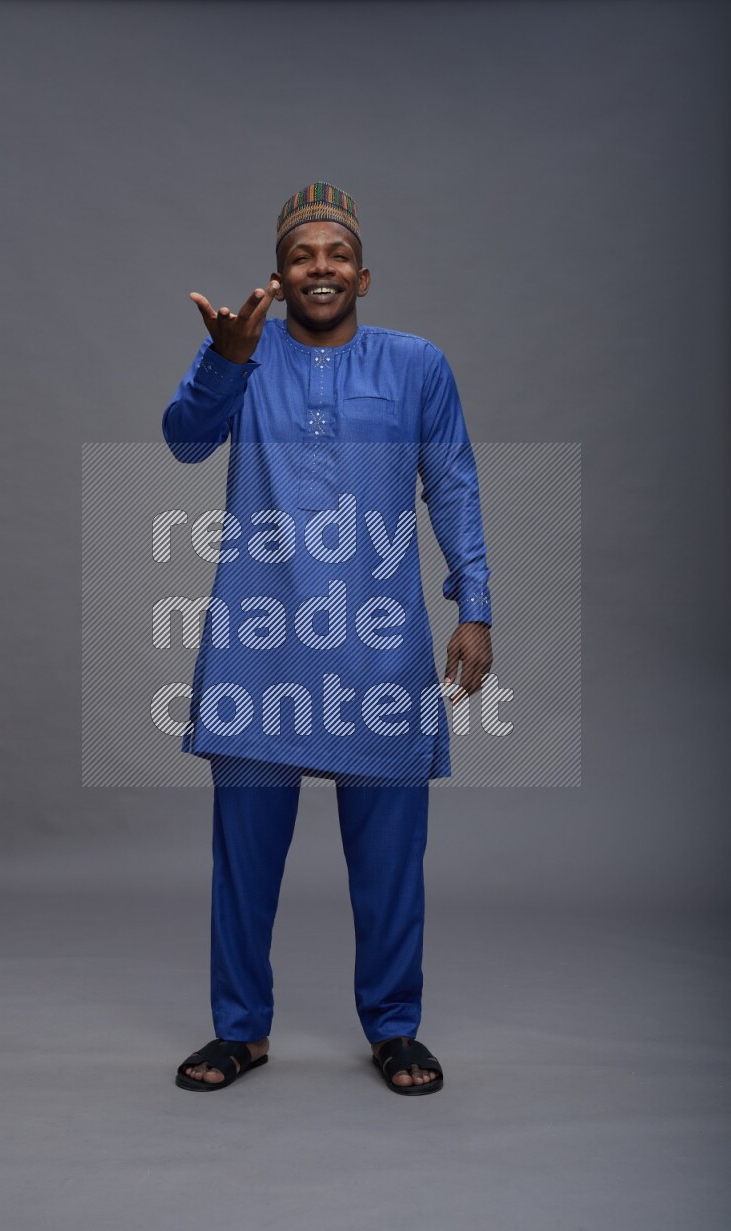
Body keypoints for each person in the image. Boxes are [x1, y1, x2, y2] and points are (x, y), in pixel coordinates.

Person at [161, 183, 493, 1095]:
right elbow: (185, 441)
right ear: (278, 272)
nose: (320, 268)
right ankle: (241, 1031)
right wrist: (221, 363)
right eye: (302, 255)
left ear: (364, 275)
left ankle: (394, 1029)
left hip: (376, 646)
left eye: (335, 255)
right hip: (259, 644)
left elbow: (453, 486)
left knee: (390, 863)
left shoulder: (417, 364)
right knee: (244, 858)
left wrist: (476, 604)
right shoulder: (243, 353)